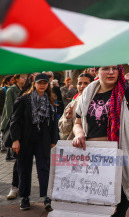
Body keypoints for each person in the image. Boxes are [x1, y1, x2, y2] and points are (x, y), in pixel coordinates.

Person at [72, 65, 129, 217]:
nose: (111, 72)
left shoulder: (128, 93)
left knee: (118, 211)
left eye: (115, 68)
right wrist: (78, 134)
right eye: (106, 68)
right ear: (97, 71)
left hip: (121, 159)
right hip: (92, 160)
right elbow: (77, 123)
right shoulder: (87, 94)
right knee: (95, 209)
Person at [10, 73, 58, 211]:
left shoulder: (50, 100)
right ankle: (25, 197)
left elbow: (54, 123)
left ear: (48, 84)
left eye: (45, 83)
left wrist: (54, 140)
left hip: (43, 139)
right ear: (34, 84)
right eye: (40, 82)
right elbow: (15, 121)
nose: (42, 85)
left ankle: (46, 197)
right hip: (25, 139)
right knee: (24, 168)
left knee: (44, 168)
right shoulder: (24, 99)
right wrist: (15, 140)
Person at [2, 74, 28, 200]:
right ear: (16, 79)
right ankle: (14, 187)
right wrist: (6, 128)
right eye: (22, 77)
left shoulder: (29, 88)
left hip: (30, 130)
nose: (25, 79)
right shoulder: (12, 90)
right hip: (17, 127)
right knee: (18, 159)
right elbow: (9, 109)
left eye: (26, 77)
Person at [58, 73, 94, 140]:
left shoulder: (98, 103)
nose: (82, 86)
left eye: (86, 83)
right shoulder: (72, 104)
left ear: (92, 85)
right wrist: (67, 119)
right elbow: (63, 131)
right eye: (79, 83)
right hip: (75, 144)